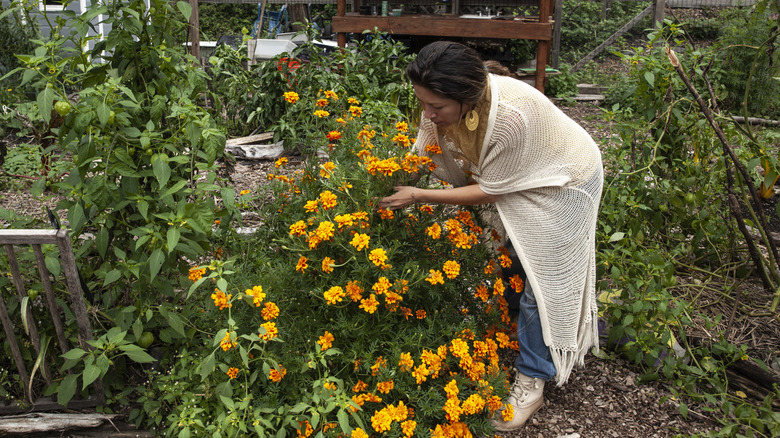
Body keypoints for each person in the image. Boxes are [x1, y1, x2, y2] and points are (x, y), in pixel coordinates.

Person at [378, 41, 603, 432]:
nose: (428, 114)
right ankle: (522, 338)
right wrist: (388, 183)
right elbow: (422, 149)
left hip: (566, 179)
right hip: (520, 175)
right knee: (507, 256)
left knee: (540, 278)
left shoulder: (509, 117)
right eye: (422, 103)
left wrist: (417, 195)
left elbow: (489, 190)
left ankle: (532, 379)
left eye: (436, 107)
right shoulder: (442, 106)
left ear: (466, 98)